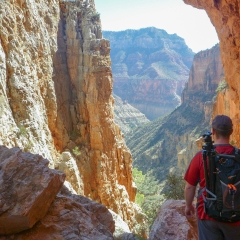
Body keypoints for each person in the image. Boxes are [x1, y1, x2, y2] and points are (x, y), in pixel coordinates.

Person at [184, 115, 240, 240]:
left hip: (207, 214)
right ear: (232, 131)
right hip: (236, 216)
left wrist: (188, 206)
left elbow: (189, 187)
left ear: (213, 132)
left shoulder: (201, 156)